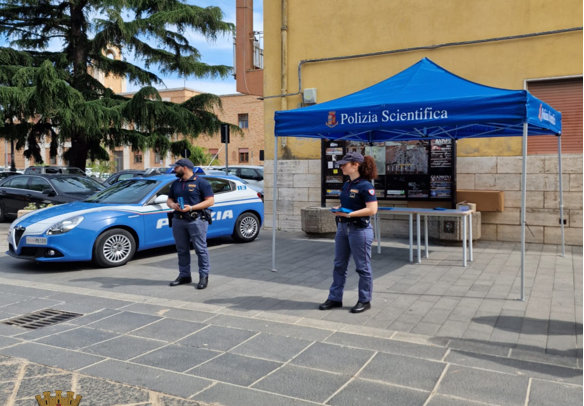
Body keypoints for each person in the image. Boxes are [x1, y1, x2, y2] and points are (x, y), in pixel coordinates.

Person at [319, 152, 378, 314]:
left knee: (363, 267)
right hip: (343, 228)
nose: (341, 166)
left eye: (345, 164)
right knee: (339, 265)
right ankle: (335, 298)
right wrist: (339, 209)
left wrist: (349, 214)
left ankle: (365, 300)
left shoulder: (366, 186)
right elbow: (347, 203)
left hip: (359, 230)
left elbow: (372, 209)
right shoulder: (347, 184)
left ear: (355, 165)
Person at [166, 158, 215, 289]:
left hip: (196, 220)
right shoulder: (175, 183)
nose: (174, 170)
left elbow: (210, 201)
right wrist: (173, 205)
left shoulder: (201, 182)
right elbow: (169, 199)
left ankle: (203, 276)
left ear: (185, 168)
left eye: (176, 167)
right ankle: (184, 275)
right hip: (178, 219)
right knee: (181, 249)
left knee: (200, 249)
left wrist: (192, 208)